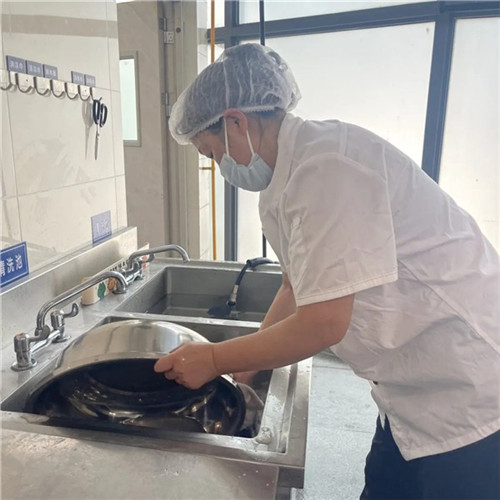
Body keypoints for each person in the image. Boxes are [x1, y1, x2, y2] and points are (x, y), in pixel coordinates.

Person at [154, 43, 500, 499]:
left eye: (213, 151)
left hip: (471, 389)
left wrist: (216, 359)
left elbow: (323, 324)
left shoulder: (328, 168)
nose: (219, 165)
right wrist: (243, 372)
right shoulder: (284, 180)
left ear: (235, 122)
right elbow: (294, 287)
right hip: (408, 392)